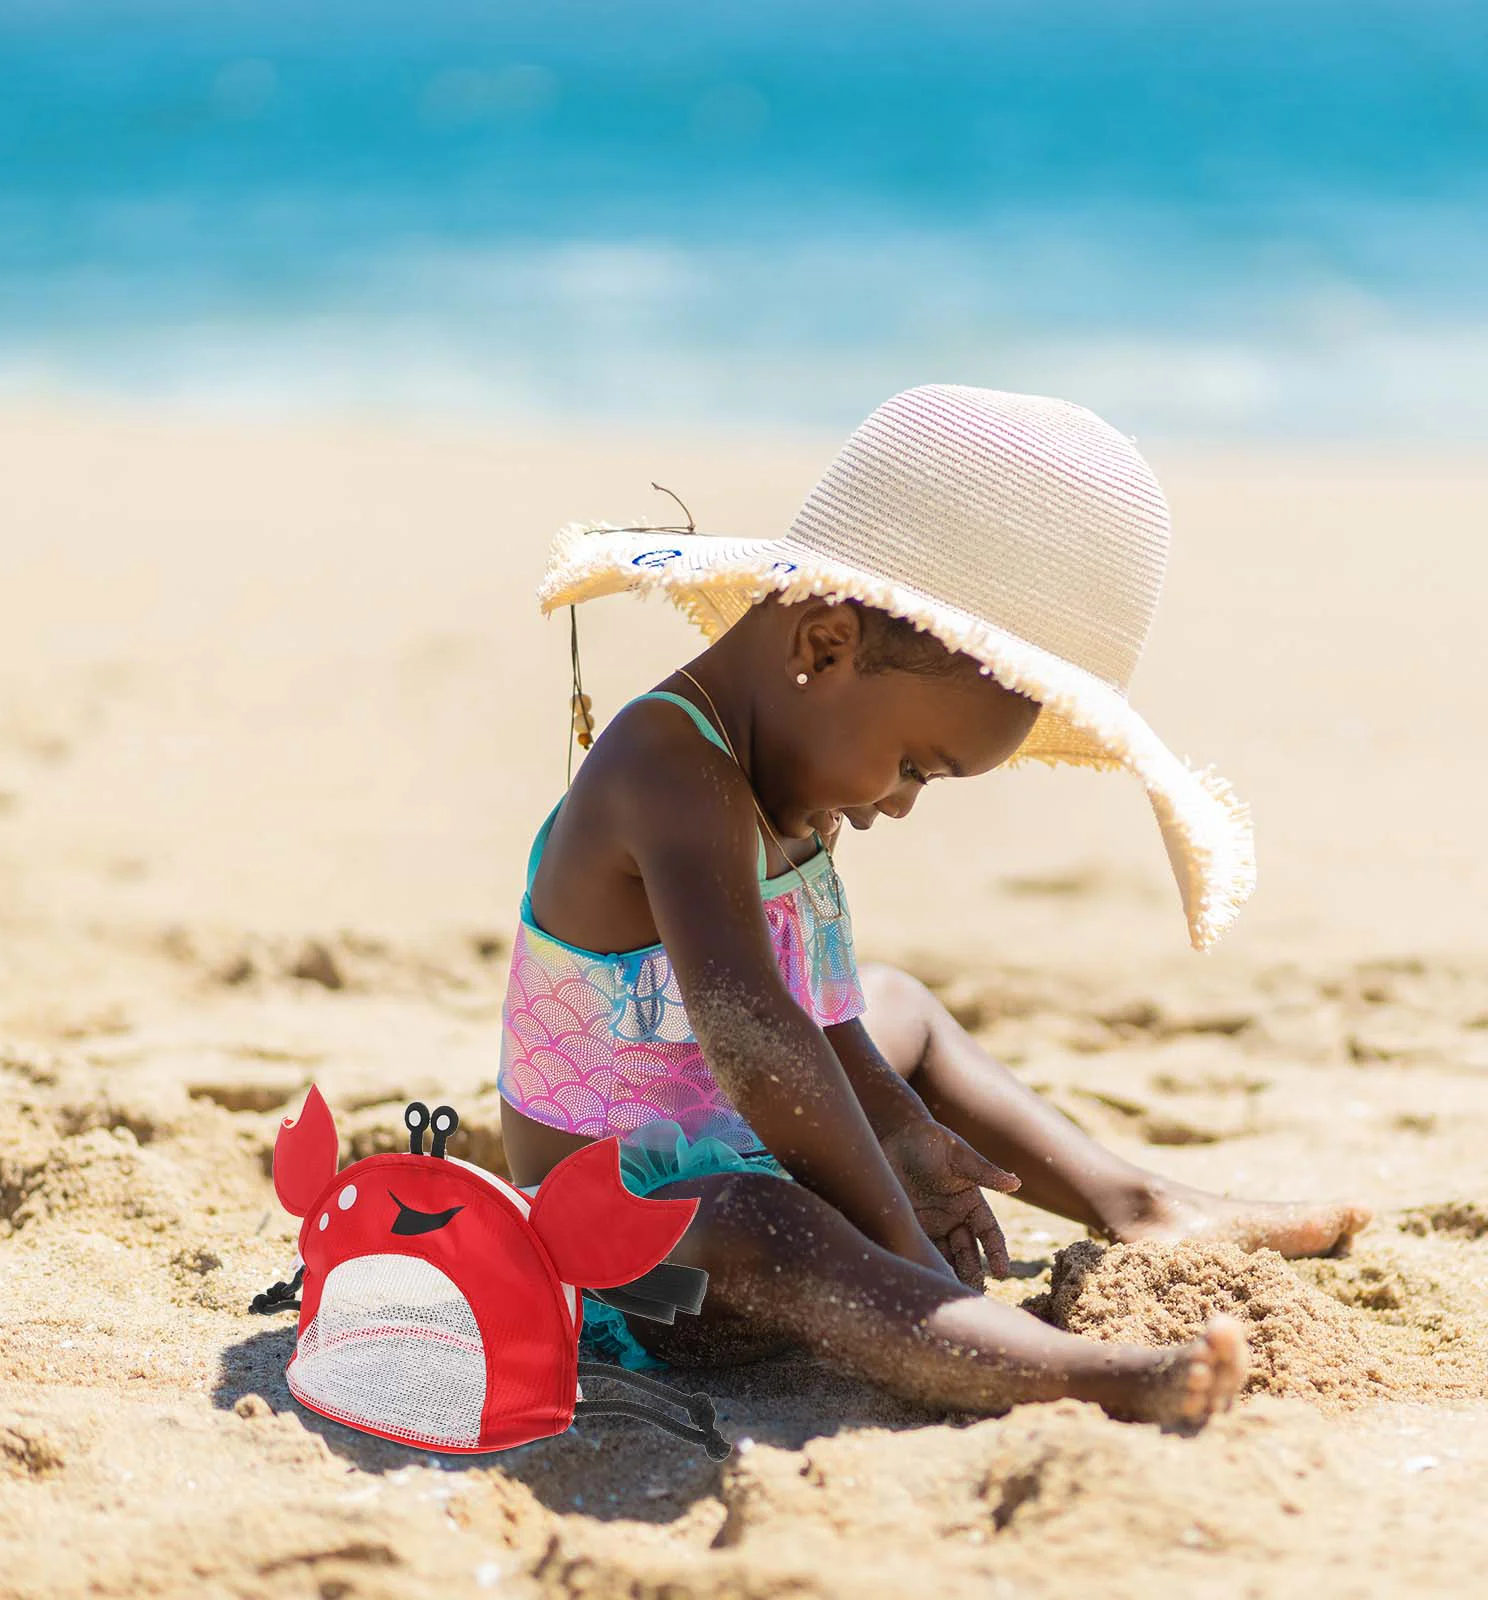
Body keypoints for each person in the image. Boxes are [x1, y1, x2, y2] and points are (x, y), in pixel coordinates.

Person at [497, 386, 1369, 1428]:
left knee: (895, 1001)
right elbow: (751, 1034)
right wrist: (901, 1250)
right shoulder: (664, 766)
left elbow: (819, 1013)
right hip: (626, 1256)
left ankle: (1132, 1204)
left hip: (739, 1122)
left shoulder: (790, 773)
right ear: (822, 647)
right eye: (913, 764)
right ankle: (1067, 1370)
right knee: (762, 1218)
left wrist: (902, 1126)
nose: (898, 805)